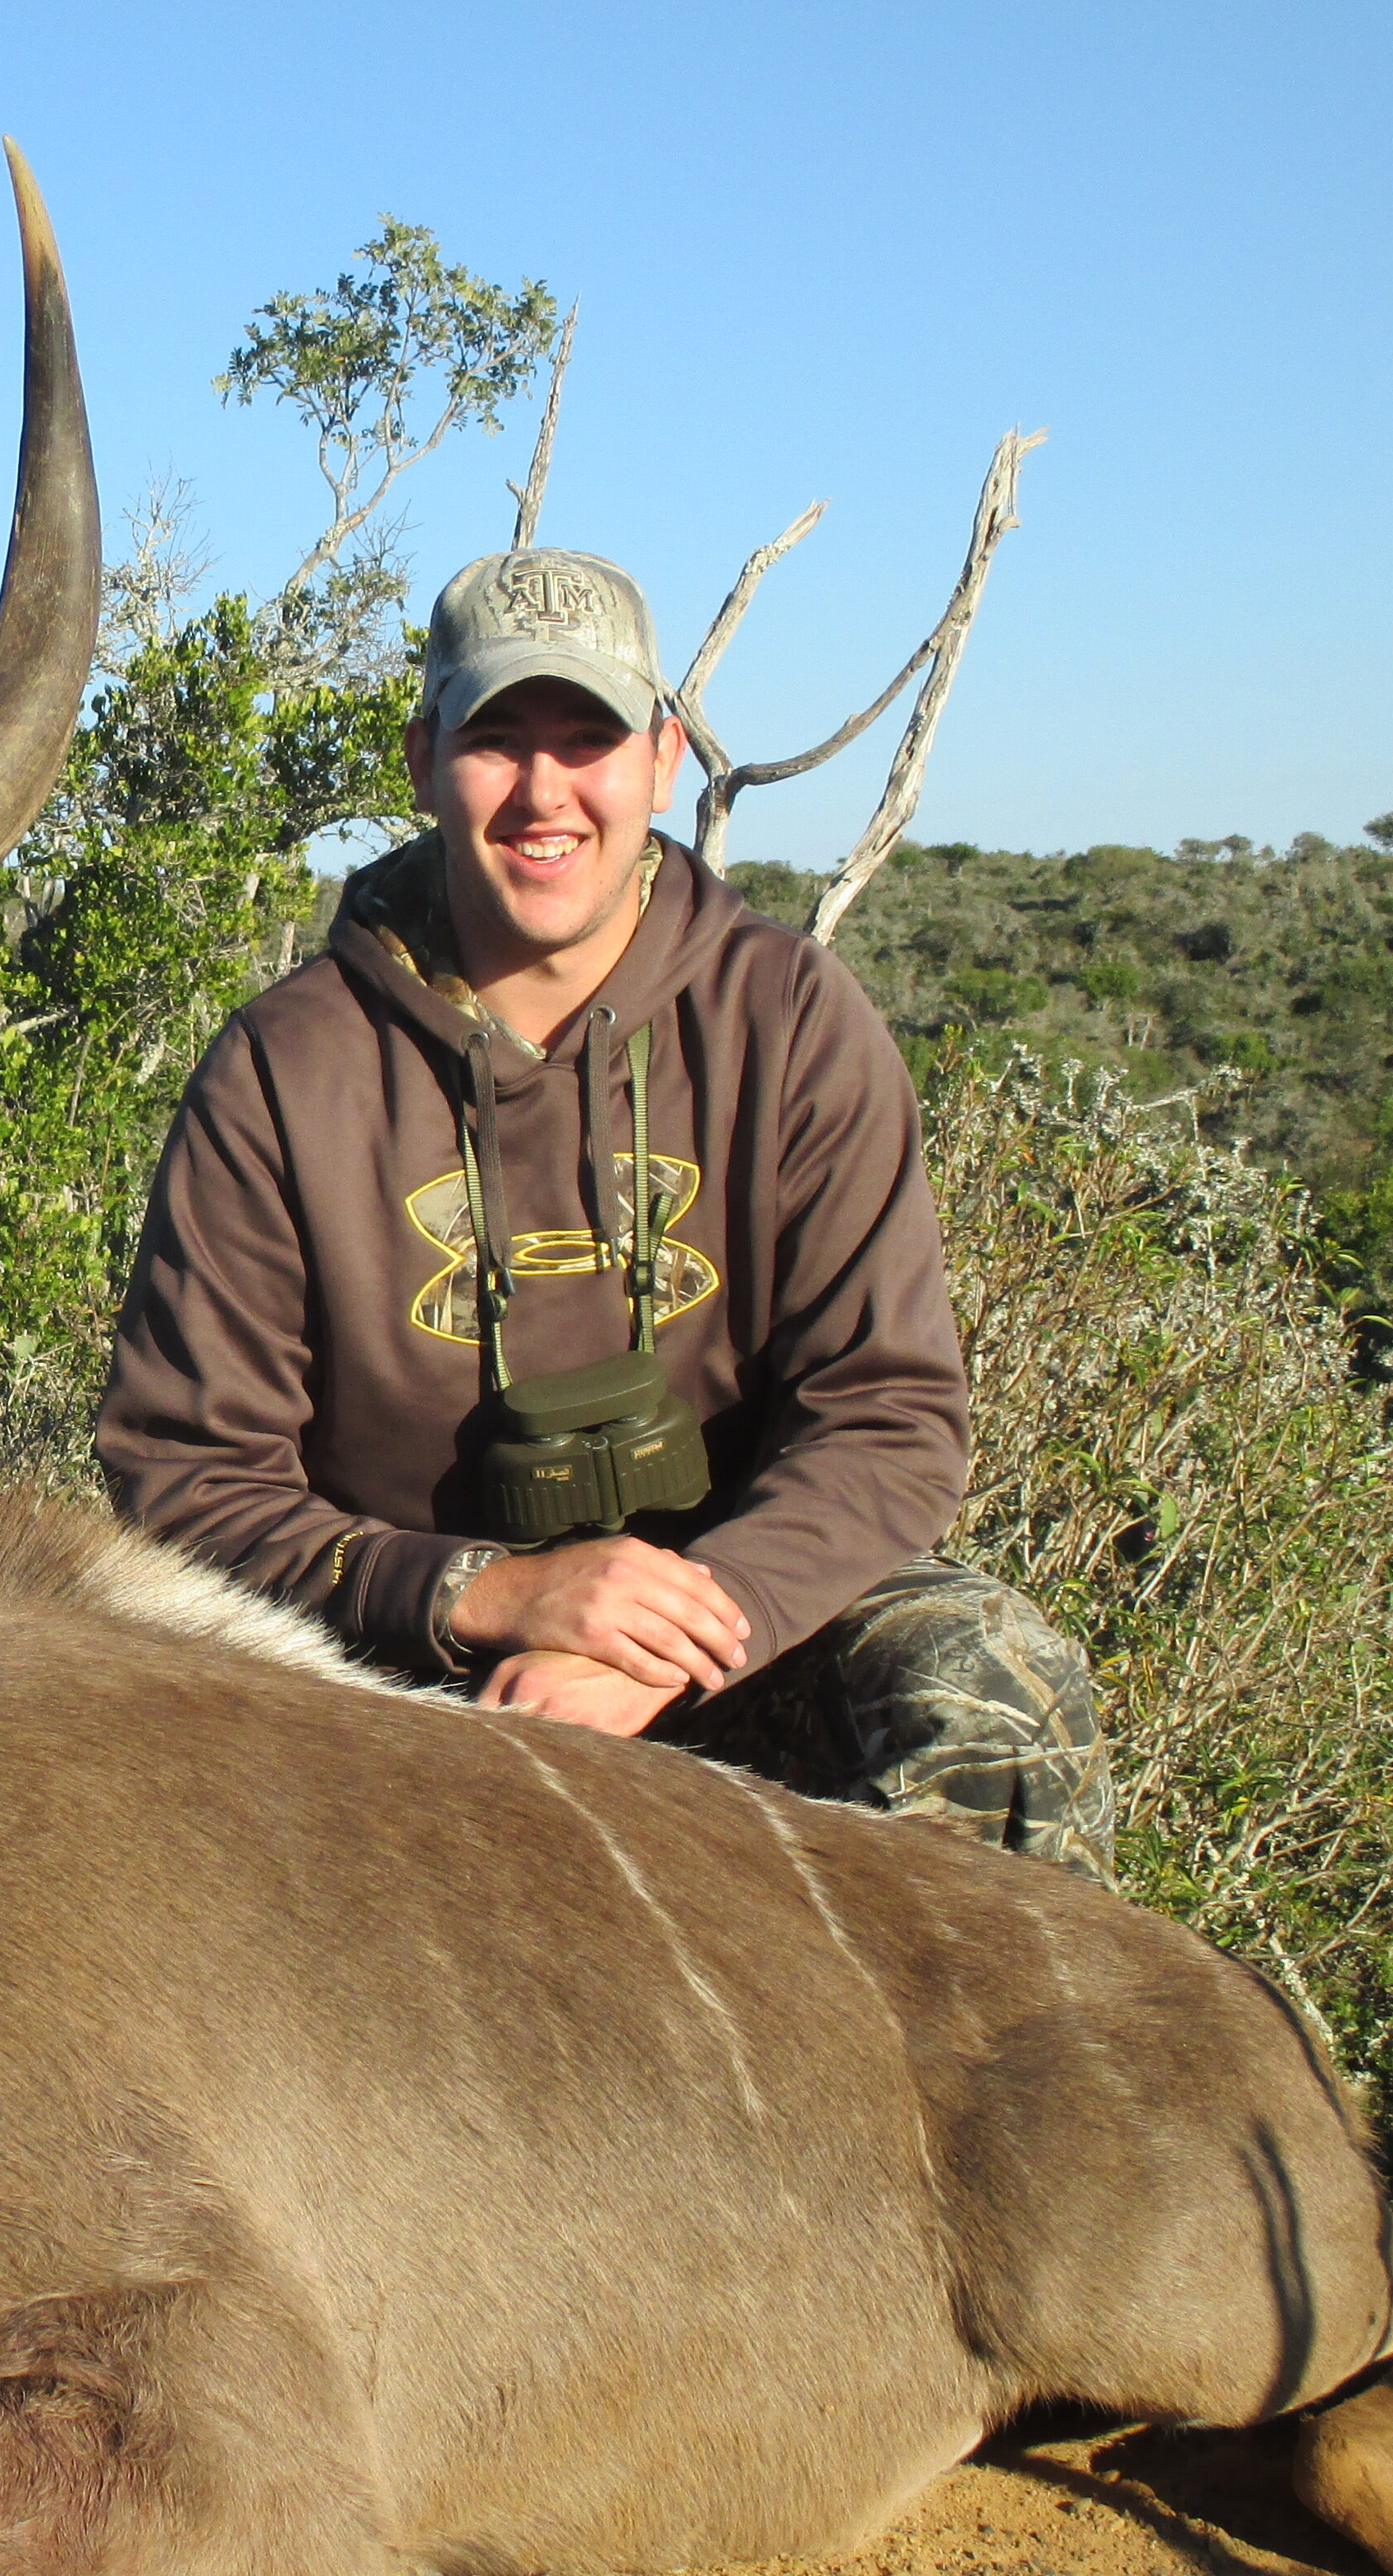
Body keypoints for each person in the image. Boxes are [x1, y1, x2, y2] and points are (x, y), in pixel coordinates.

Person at [94, 541, 1113, 1880]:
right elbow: (186, 1479)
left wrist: (674, 1635)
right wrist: (486, 1597)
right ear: (421, 759)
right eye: (496, 738)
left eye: (590, 737)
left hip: (730, 1641)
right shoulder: (288, 1069)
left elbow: (888, 1414)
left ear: (665, 760)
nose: (544, 791)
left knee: (993, 1687)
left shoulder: (790, 1022)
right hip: (391, 1670)